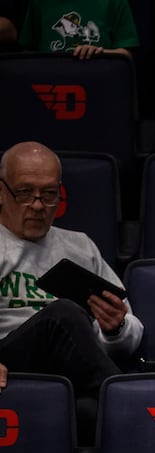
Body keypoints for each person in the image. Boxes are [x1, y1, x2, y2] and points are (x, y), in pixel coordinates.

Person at [0, 141, 139, 413]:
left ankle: (123, 412)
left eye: (49, 194)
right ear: (1, 192)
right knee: (63, 314)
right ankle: (132, 405)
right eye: (26, 193)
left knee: (92, 414)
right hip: (11, 368)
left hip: (71, 377)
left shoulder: (80, 246)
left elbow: (132, 330)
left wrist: (116, 329)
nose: (38, 206)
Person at [20, 0, 137, 57]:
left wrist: (99, 53)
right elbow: (28, 53)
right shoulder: (39, 3)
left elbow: (126, 54)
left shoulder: (115, 2)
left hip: (99, 83)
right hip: (51, 83)